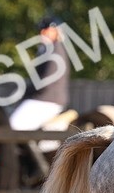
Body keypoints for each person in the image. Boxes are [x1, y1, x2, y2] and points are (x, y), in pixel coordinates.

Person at [9, 15, 70, 154]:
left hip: (46, 100)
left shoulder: (55, 50)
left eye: (46, 30)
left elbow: (44, 82)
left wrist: (26, 92)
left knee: (13, 127)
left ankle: (35, 166)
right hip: (42, 98)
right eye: (41, 30)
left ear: (56, 31)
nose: (42, 33)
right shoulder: (46, 49)